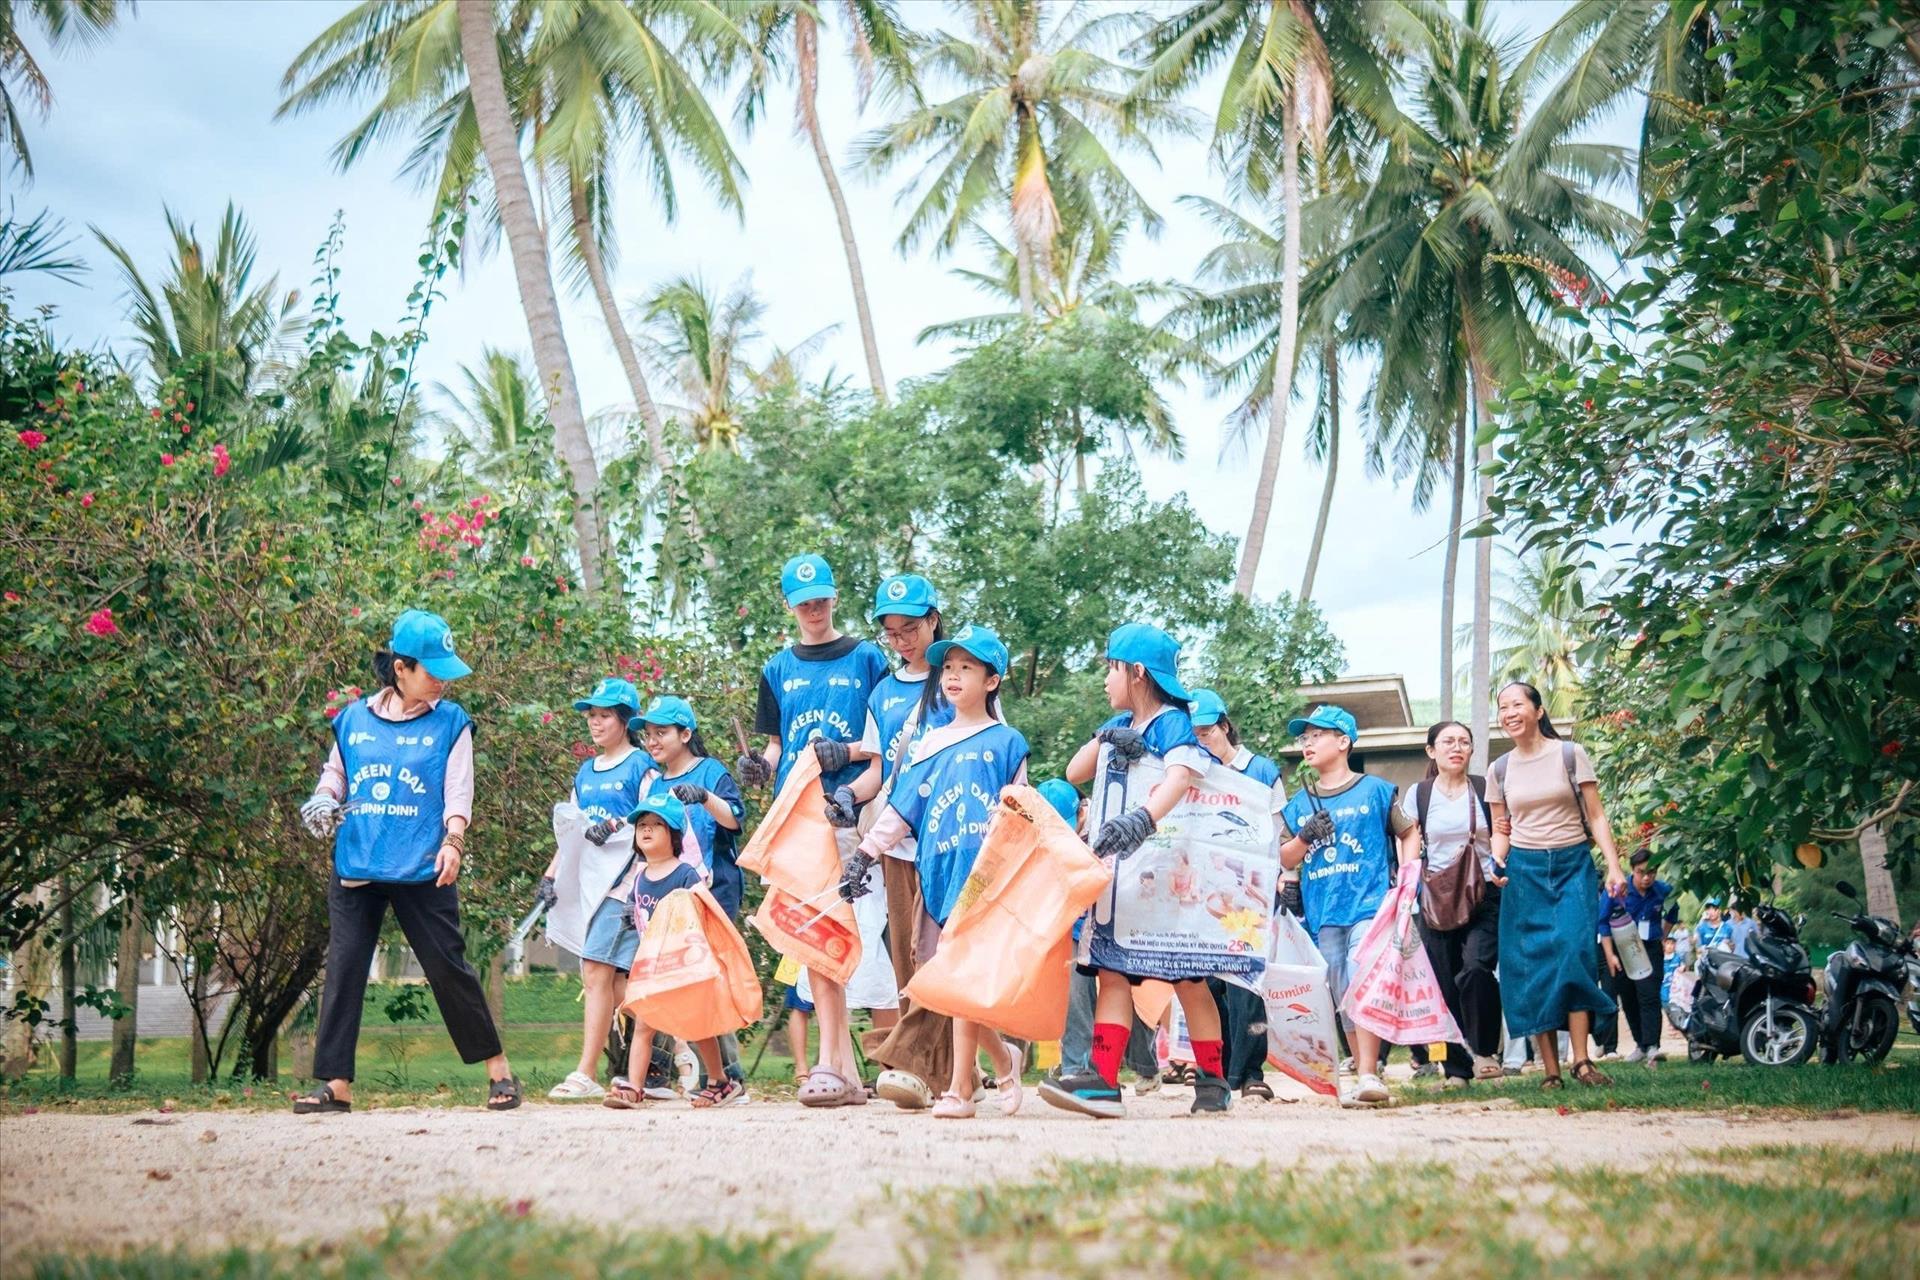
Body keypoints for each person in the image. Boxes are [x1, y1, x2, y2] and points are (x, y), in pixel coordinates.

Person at [295, 609, 519, 1113]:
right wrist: (324, 799)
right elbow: (337, 775)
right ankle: (336, 1084)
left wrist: (453, 841)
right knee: (346, 968)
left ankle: (499, 1071)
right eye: (432, 670)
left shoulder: (451, 723)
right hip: (359, 862)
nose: (441, 679)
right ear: (401, 668)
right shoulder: (352, 719)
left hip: (424, 863)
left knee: (447, 966)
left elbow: (458, 790)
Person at [1041, 623, 1233, 1119]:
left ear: (1138, 672)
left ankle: (1212, 1081)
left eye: (1110, 668)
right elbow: (1073, 772)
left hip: (1167, 873)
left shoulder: (1173, 723)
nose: (1105, 679)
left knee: (1188, 978)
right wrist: (1107, 736)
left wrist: (1144, 815)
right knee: (1112, 972)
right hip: (1121, 873)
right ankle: (1104, 1081)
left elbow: (1182, 776)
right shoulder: (1125, 722)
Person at [846, 625, 1030, 1119]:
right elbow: (899, 811)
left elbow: (1023, 811)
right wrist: (864, 855)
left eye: (966, 668)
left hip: (984, 883)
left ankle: (959, 1092)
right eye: (948, 667)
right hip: (936, 879)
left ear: (992, 681)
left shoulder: (1007, 742)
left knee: (959, 983)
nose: (952, 676)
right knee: (940, 984)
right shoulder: (930, 745)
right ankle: (1002, 1060)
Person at [736, 553, 892, 1108]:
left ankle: (856, 1064)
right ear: (790, 606)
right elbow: (776, 747)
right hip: (798, 819)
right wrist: (760, 766)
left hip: (854, 811)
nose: (815, 609)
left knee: (862, 936)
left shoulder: (867, 657)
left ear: (834, 598)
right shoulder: (776, 668)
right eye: (804, 602)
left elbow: (885, 737)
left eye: (822, 599)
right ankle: (837, 1067)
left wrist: (843, 753)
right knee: (817, 937)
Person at [847, 573, 955, 1110]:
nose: (902, 640)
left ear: (933, 619)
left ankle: (903, 1059)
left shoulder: (959, 680)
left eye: (909, 627)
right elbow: (876, 769)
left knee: (936, 953)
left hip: (947, 840)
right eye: (891, 632)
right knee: (906, 960)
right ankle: (941, 1076)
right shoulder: (884, 693)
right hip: (894, 838)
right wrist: (849, 796)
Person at [1488, 681, 1627, 1090]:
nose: (1510, 713)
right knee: (1533, 965)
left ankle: (1581, 1060)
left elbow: (1597, 816)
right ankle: (1551, 1070)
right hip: (1524, 871)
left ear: (1538, 710)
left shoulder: (1570, 755)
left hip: (1572, 865)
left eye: (1517, 705)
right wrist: (1497, 857)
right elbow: (1501, 826)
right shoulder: (1500, 769)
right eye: (1503, 707)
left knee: (1573, 953)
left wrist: (1614, 866)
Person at [1277, 705, 1410, 1107]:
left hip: (1369, 903)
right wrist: (1303, 838)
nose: (1308, 743)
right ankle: (1361, 1067)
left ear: (1343, 742)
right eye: (1304, 738)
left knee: (1360, 974)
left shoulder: (1376, 791)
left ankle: (1370, 1072)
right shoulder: (1300, 803)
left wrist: (1408, 879)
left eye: (1318, 735)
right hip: (1324, 911)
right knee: (1341, 991)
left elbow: (1408, 831)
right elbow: (1285, 857)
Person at [633, 694, 750, 1097]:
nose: (652, 741)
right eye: (648, 734)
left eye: (661, 732)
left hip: (711, 890)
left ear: (686, 734)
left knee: (708, 979)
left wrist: (702, 796)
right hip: (665, 897)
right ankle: (659, 1074)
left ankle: (728, 1075)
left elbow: (735, 819)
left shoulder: (711, 771)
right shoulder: (652, 781)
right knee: (664, 973)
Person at [544, 677, 653, 1102]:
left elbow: (653, 820)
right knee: (621, 984)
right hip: (590, 886)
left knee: (595, 972)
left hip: (625, 884)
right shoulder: (585, 773)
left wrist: (622, 827)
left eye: (604, 715)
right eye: (591, 715)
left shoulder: (641, 766)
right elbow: (572, 833)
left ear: (624, 721)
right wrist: (552, 875)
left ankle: (585, 1071)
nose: (595, 722)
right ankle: (684, 1043)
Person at [602, 794, 739, 1108]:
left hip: (684, 966)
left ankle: (720, 1081)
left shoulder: (684, 874)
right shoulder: (639, 879)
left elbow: (705, 910)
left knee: (697, 1025)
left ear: (674, 834)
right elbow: (637, 915)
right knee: (644, 1026)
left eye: (657, 825)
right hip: (654, 968)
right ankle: (635, 1088)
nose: (647, 831)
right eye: (642, 826)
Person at [1190, 688, 1288, 1101]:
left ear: (1225, 726)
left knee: (1246, 986)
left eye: (1207, 731)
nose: (1202, 740)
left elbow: (1278, 832)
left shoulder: (1261, 770)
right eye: (1193, 734)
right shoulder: (1196, 773)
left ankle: (1251, 1071)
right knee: (1211, 985)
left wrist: (1277, 880)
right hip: (1208, 895)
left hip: (1252, 892)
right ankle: (1221, 1070)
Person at [1396, 720, 1504, 1088]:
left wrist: (1503, 862)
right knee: (1442, 984)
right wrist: (1407, 883)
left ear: (1471, 750)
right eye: (1448, 742)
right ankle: (1456, 1069)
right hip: (1435, 899)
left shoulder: (1483, 788)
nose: (1456, 748)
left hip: (1484, 892)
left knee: (1475, 969)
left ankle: (1486, 1051)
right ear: (1432, 751)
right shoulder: (1420, 794)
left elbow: (1504, 828)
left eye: (1464, 742)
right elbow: (1410, 838)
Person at [1600, 849, 1671, 1064]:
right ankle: (1640, 1044)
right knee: (1629, 998)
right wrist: (1610, 955)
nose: (1647, 877)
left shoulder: (1663, 891)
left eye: (1651, 872)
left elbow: (1672, 913)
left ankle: (1652, 1045)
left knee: (1649, 995)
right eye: (1641, 873)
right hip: (1624, 948)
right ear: (1633, 871)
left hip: (1650, 948)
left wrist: (1663, 936)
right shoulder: (1617, 890)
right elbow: (1602, 923)